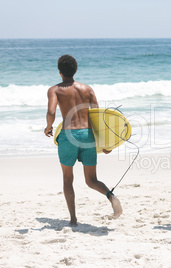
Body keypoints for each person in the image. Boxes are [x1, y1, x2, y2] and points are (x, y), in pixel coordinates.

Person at [45, 55, 122, 226]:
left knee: (67, 178)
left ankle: (73, 219)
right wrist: (105, 144)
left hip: (68, 135)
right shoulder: (87, 89)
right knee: (91, 180)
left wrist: (48, 127)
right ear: (75, 70)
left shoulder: (55, 90)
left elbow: (51, 113)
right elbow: (99, 119)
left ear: (59, 72)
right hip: (88, 136)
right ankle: (111, 197)